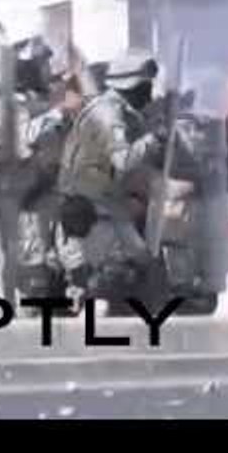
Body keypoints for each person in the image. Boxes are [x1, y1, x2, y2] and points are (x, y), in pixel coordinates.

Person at [54, 51, 167, 310]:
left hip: (106, 206)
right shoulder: (109, 115)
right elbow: (123, 160)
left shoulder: (115, 109)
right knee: (105, 285)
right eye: (146, 86)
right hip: (90, 212)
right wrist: (154, 139)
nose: (150, 92)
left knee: (145, 267)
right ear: (132, 86)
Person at [0, 35, 82, 308]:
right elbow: (19, 140)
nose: (49, 70)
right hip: (23, 207)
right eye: (43, 64)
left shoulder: (45, 103)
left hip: (52, 197)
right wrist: (57, 114)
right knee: (28, 277)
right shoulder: (6, 108)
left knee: (65, 269)